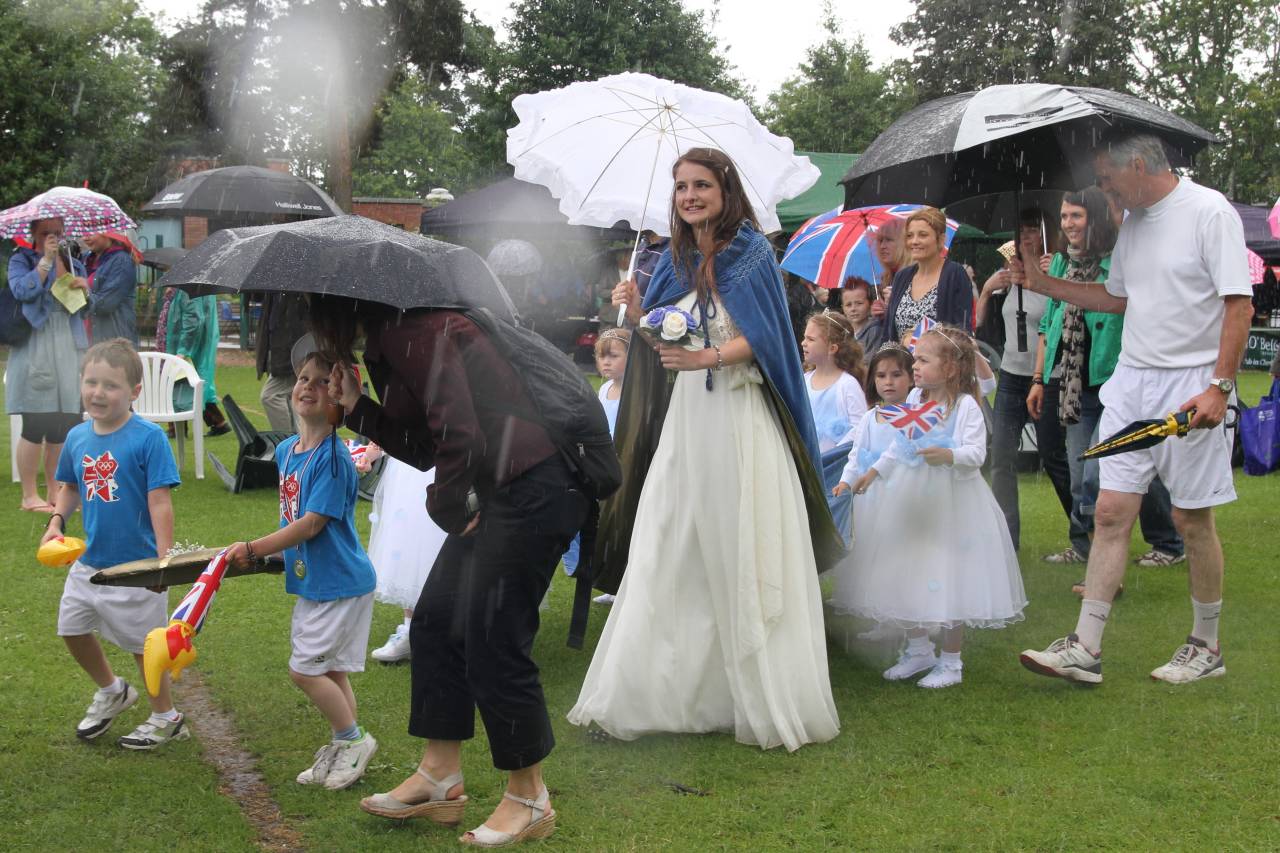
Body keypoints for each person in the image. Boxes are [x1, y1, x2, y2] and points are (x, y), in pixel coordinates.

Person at [568, 147, 840, 752]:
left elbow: (767, 337)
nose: (691, 196)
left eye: (702, 186)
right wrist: (638, 310)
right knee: (672, 537)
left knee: (735, 540)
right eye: (682, 187)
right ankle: (673, 690)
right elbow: (658, 335)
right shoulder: (670, 258)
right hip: (686, 422)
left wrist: (705, 357)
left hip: (738, 417)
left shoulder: (751, 254)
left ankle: (752, 689)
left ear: (725, 190)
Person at [316, 294, 587, 845]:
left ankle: (529, 796)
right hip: (508, 488)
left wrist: (446, 507)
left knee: (493, 635)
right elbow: (428, 444)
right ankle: (440, 776)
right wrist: (357, 408)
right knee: (437, 623)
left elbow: (460, 435)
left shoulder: (412, 332)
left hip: (537, 487)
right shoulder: (398, 335)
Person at [1018, 132, 1251, 684]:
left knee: (1191, 518)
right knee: (1109, 511)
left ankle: (1206, 646)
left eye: (1106, 178)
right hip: (1132, 382)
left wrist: (1220, 386)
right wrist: (1046, 283)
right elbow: (1116, 298)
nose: (1102, 189)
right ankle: (1085, 646)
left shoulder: (1209, 212)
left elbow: (1238, 305)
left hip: (1192, 384)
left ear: (1139, 165)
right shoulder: (1135, 224)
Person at [833, 327, 1026, 688]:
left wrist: (948, 454)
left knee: (951, 573)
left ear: (950, 367)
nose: (915, 366)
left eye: (923, 359)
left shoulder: (964, 406)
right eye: (916, 359)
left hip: (952, 500)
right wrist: (873, 473)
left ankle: (951, 661)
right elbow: (898, 446)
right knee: (912, 569)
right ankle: (918, 647)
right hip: (912, 496)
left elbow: (976, 454)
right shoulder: (917, 399)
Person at [225, 351, 379, 790]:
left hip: (340, 583)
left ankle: (354, 740)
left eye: (322, 384)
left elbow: (311, 524)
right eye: (303, 379)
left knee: (305, 670)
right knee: (331, 671)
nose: (307, 387)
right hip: (317, 581)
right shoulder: (289, 451)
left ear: (341, 402)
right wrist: (274, 557)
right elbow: (290, 518)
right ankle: (344, 742)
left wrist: (254, 548)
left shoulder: (333, 460)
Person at [1027, 187, 1184, 578]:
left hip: (1115, 379)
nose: (1068, 224)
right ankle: (1085, 546)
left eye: (1076, 216)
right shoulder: (1060, 262)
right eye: (1064, 217)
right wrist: (1040, 376)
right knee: (1084, 471)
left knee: (1120, 465)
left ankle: (1168, 541)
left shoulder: (1119, 261)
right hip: (1074, 383)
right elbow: (1051, 318)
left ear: (1094, 218)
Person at [41, 338, 186, 748]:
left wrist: (164, 560)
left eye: (110, 386)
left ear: (134, 392)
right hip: (91, 563)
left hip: (138, 567)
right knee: (70, 628)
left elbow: (160, 502)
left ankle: (166, 716)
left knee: (148, 649)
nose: (98, 393)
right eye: (91, 382)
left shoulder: (148, 438)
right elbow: (69, 487)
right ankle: (112, 690)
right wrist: (56, 520)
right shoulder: (77, 437)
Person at [976, 209, 1074, 553]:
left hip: (1049, 377)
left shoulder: (1059, 269)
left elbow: (1066, 319)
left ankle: (1083, 532)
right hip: (1011, 377)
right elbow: (978, 325)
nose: (1026, 237)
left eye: (1033, 230)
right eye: (1021, 231)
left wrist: (1052, 281)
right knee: (1001, 457)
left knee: (1053, 455)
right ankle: (1007, 539)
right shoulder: (1007, 276)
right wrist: (988, 290)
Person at [7, 218, 90, 512]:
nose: (52, 238)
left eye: (56, 232)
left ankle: (56, 492)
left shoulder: (73, 261)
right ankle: (30, 496)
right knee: (35, 422)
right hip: (36, 346)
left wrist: (84, 288)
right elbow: (22, 292)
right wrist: (44, 262)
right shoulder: (21, 259)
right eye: (45, 233)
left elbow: (82, 307)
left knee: (63, 425)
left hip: (69, 345)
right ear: (33, 234)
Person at [358, 442, 447, 664]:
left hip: (449, 459)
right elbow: (397, 417)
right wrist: (373, 451)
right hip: (411, 466)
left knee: (443, 542)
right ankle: (410, 630)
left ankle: (456, 629)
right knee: (408, 539)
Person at [562, 327, 630, 606]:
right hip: (603, 464)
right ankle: (610, 580)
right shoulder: (603, 390)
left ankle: (624, 580)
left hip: (626, 463)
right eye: (601, 357)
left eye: (613, 356)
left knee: (621, 525)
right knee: (601, 524)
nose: (606, 362)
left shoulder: (633, 393)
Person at [878, 207, 973, 344]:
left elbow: (962, 333)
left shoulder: (954, 274)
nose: (914, 241)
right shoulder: (902, 277)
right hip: (901, 363)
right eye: (910, 236)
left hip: (941, 362)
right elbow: (888, 334)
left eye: (922, 235)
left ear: (941, 239)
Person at [164, 288, 230, 437]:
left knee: (182, 384)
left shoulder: (187, 287)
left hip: (185, 346)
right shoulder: (195, 284)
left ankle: (177, 428)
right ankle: (218, 422)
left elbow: (193, 318)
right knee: (198, 386)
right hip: (190, 344)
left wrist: (183, 350)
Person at [256, 293, 310, 433]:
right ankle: (296, 443)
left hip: (292, 355)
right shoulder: (275, 290)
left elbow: (297, 324)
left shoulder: (295, 290)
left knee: (270, 396)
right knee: (294, 398)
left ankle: (287, 441)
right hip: (282, 353)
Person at [81, 232, 140, 345]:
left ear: (109, 234)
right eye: (85, 231)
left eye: (91, 232)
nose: (85, 237)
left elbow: (106, 304)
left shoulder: (121, 261)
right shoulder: (87, 259)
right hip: (90, 338)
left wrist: (84, 289)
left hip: (114, 341)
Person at [841, 276, 884, 356]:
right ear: (842, 308)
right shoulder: (843, 333)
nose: (853, 309)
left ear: (870, 304)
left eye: (859, 303)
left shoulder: (874, 331)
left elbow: (870, 363)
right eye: (848, 305)